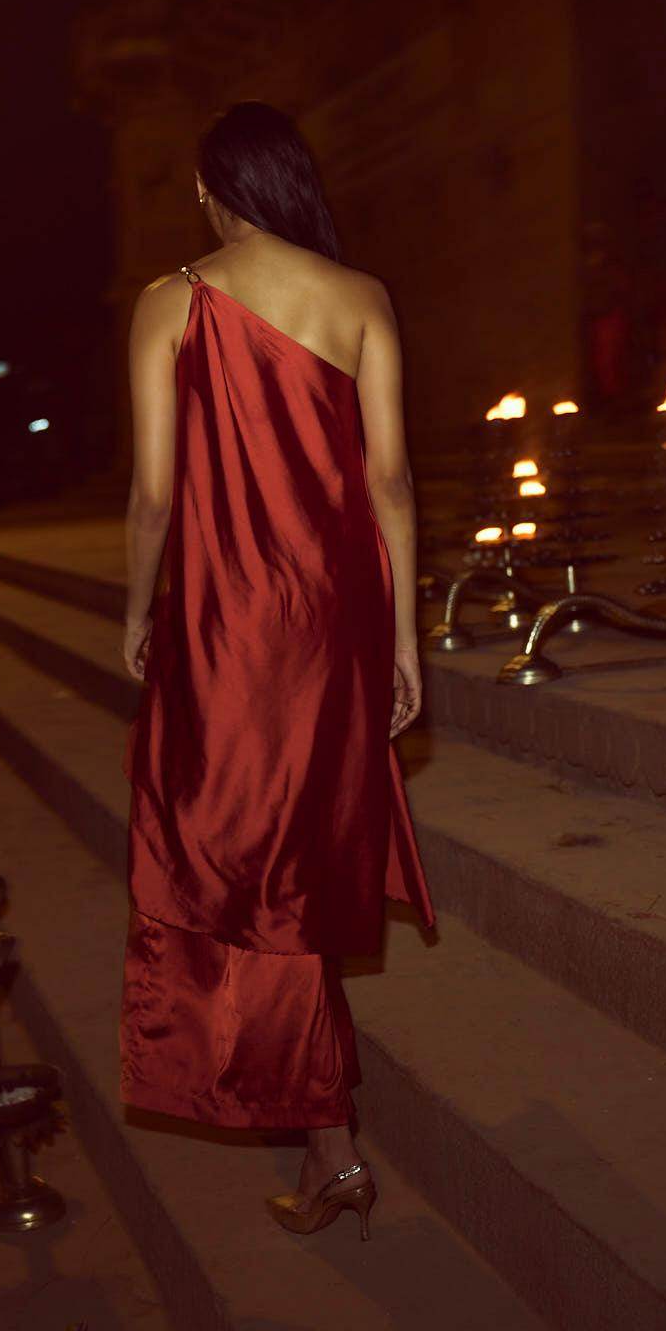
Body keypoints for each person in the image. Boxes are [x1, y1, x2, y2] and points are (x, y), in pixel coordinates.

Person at [120, 101, 435, 1243]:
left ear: (212, 192)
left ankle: (327, 1144)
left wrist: (136, 609)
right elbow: (388, 483)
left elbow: (155, 492)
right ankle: (325, 1144)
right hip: (333, 622)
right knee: (284, 865)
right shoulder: (359, 297)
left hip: (226, 627)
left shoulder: (169, 302)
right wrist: (402, 639)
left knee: (237, 865)